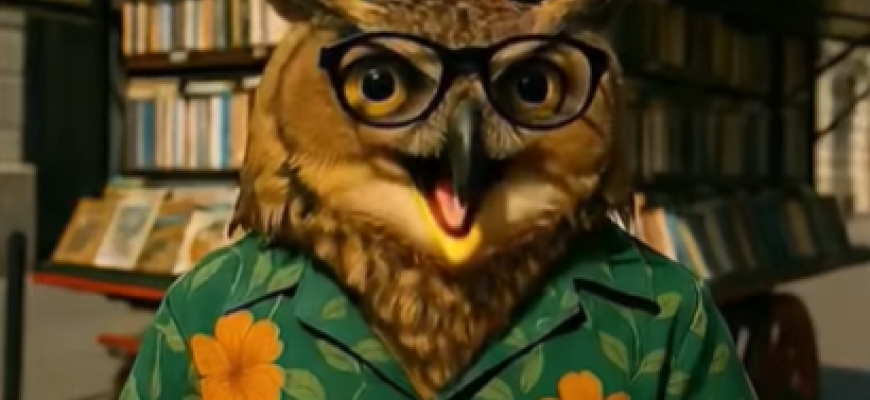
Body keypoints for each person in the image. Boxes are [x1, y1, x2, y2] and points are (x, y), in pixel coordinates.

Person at [120, 0, 759, 398]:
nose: (463, 128)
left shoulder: (661, 320)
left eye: (532, 85)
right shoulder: (212, 310)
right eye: (380, 83)